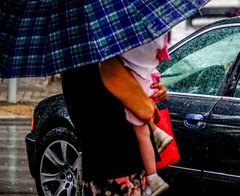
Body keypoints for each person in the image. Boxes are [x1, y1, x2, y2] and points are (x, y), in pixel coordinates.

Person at [62, 56, 167, 196]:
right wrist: (144, 97)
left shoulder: (78, 64)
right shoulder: (106, 65)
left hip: (104, 165)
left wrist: (149, 89)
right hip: (119, 164)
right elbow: (139, 109)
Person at [118, 33, 172, 196]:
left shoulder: (116, 48)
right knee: (141, 122)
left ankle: (156, 134)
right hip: (122, 162)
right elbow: (162, 54)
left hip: (118, 165)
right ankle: (156, 133)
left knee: (140, 127)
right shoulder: (152, 32)